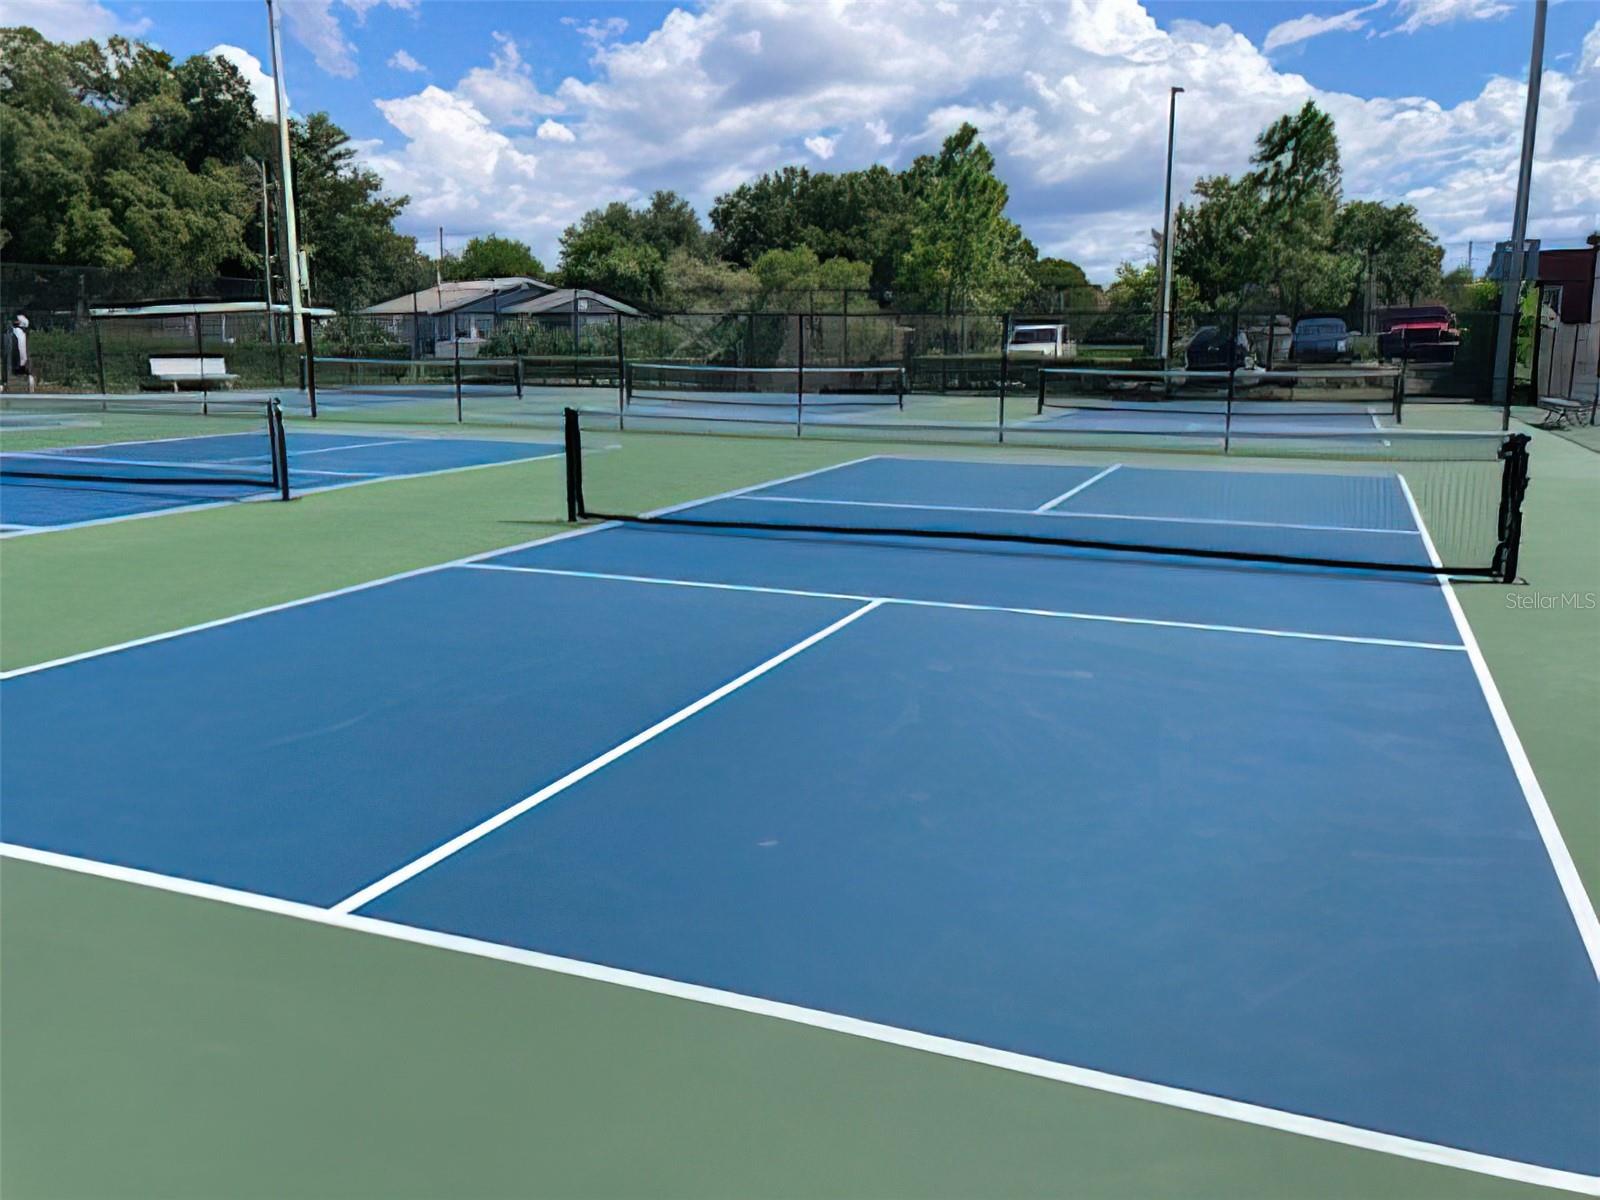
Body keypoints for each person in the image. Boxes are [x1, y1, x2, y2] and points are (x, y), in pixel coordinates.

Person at [7, 313, 33, 391]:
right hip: (17, 353)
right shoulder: (17, 332)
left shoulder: (21, 332)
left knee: (22, 355)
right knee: (21, 355)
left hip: (20, 357)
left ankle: (20, 368)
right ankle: (18, 369)